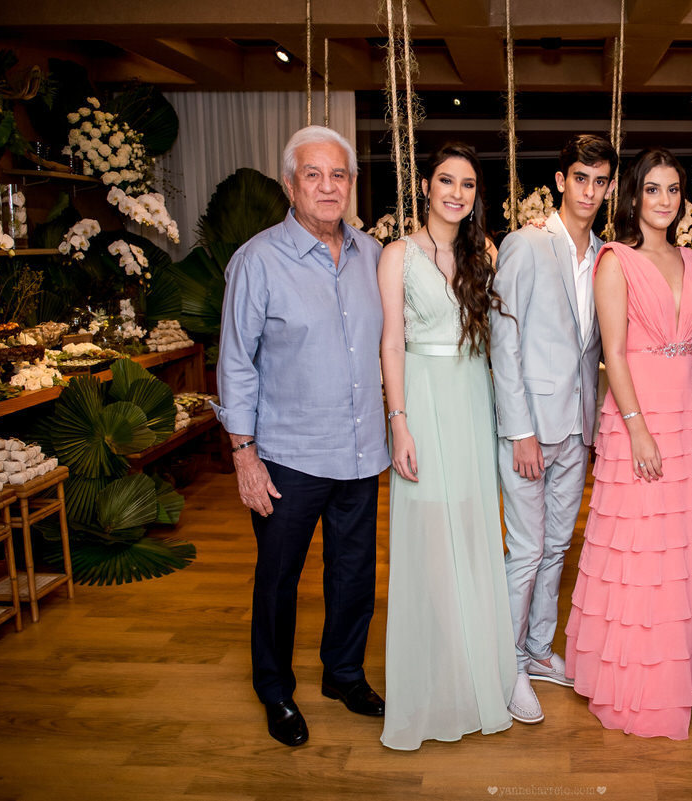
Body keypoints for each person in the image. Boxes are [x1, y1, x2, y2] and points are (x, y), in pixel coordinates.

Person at [214, 125, 387, 748]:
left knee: (354, 573)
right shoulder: (258, 261)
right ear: (291, 185)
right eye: (313, 175)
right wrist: (244, 455)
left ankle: (344, 674)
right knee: (279, 578)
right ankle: (275, 690)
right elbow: (236, 362)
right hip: (288, 456)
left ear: (352, 184)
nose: (327, 186)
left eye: (338, 175)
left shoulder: (373, 256)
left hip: (360, 451)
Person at [563, 147, 692, 740]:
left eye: (673, 189)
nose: (664, 201)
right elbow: (614, 353)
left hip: (685, 413)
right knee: (633, 550)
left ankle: (668, 675)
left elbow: (689, 341)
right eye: (653, 189)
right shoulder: (615, 261)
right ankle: (626, 681)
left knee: (673, 549)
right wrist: (637, 426)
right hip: (635, 418)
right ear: (634, 196)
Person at [377, 142, 516, 750]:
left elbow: (499, 339)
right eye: (445, 180)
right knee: (431, 533)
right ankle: (437, 677)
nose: (456, 193)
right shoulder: (397, 255)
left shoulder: (484, 253)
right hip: (424, 398)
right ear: (425, 187)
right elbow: (390, 343)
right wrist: (399, 422)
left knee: (473, 525)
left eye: (467, 184)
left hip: (471, 398)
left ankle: (477, 669)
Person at [490, 134, 617, 725]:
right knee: (526, 550)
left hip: (579, 425)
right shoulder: (526, 243)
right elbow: (504, 338)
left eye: (600, 181)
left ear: (609, 187)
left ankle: (539, 649)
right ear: (562, 181)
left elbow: (600, 343)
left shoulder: (607, 255)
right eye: (580, 179)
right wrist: (518, 429)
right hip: (531, 427)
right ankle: (507, 664)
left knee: (558, 548)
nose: (589, 191)